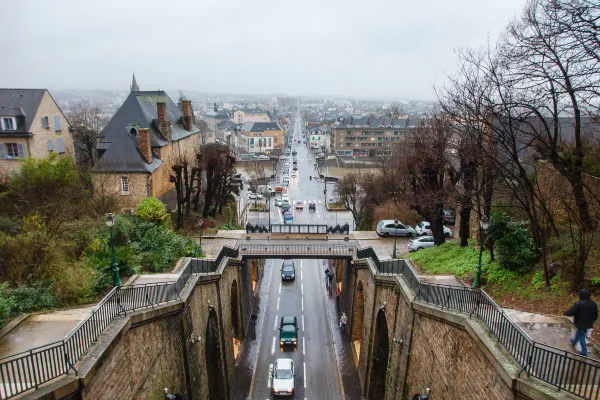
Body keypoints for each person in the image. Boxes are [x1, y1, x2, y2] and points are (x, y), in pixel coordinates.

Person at [565, 288, 598, 356]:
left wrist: (566, 313)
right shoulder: (593, 304)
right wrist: (591, 320)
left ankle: (584, 351)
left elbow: (572, 311)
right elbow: (595, 315)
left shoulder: (579, 303)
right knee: (580, 332)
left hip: (580, 322)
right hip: (589, 323)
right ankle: (574, 341)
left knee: (581, 335)